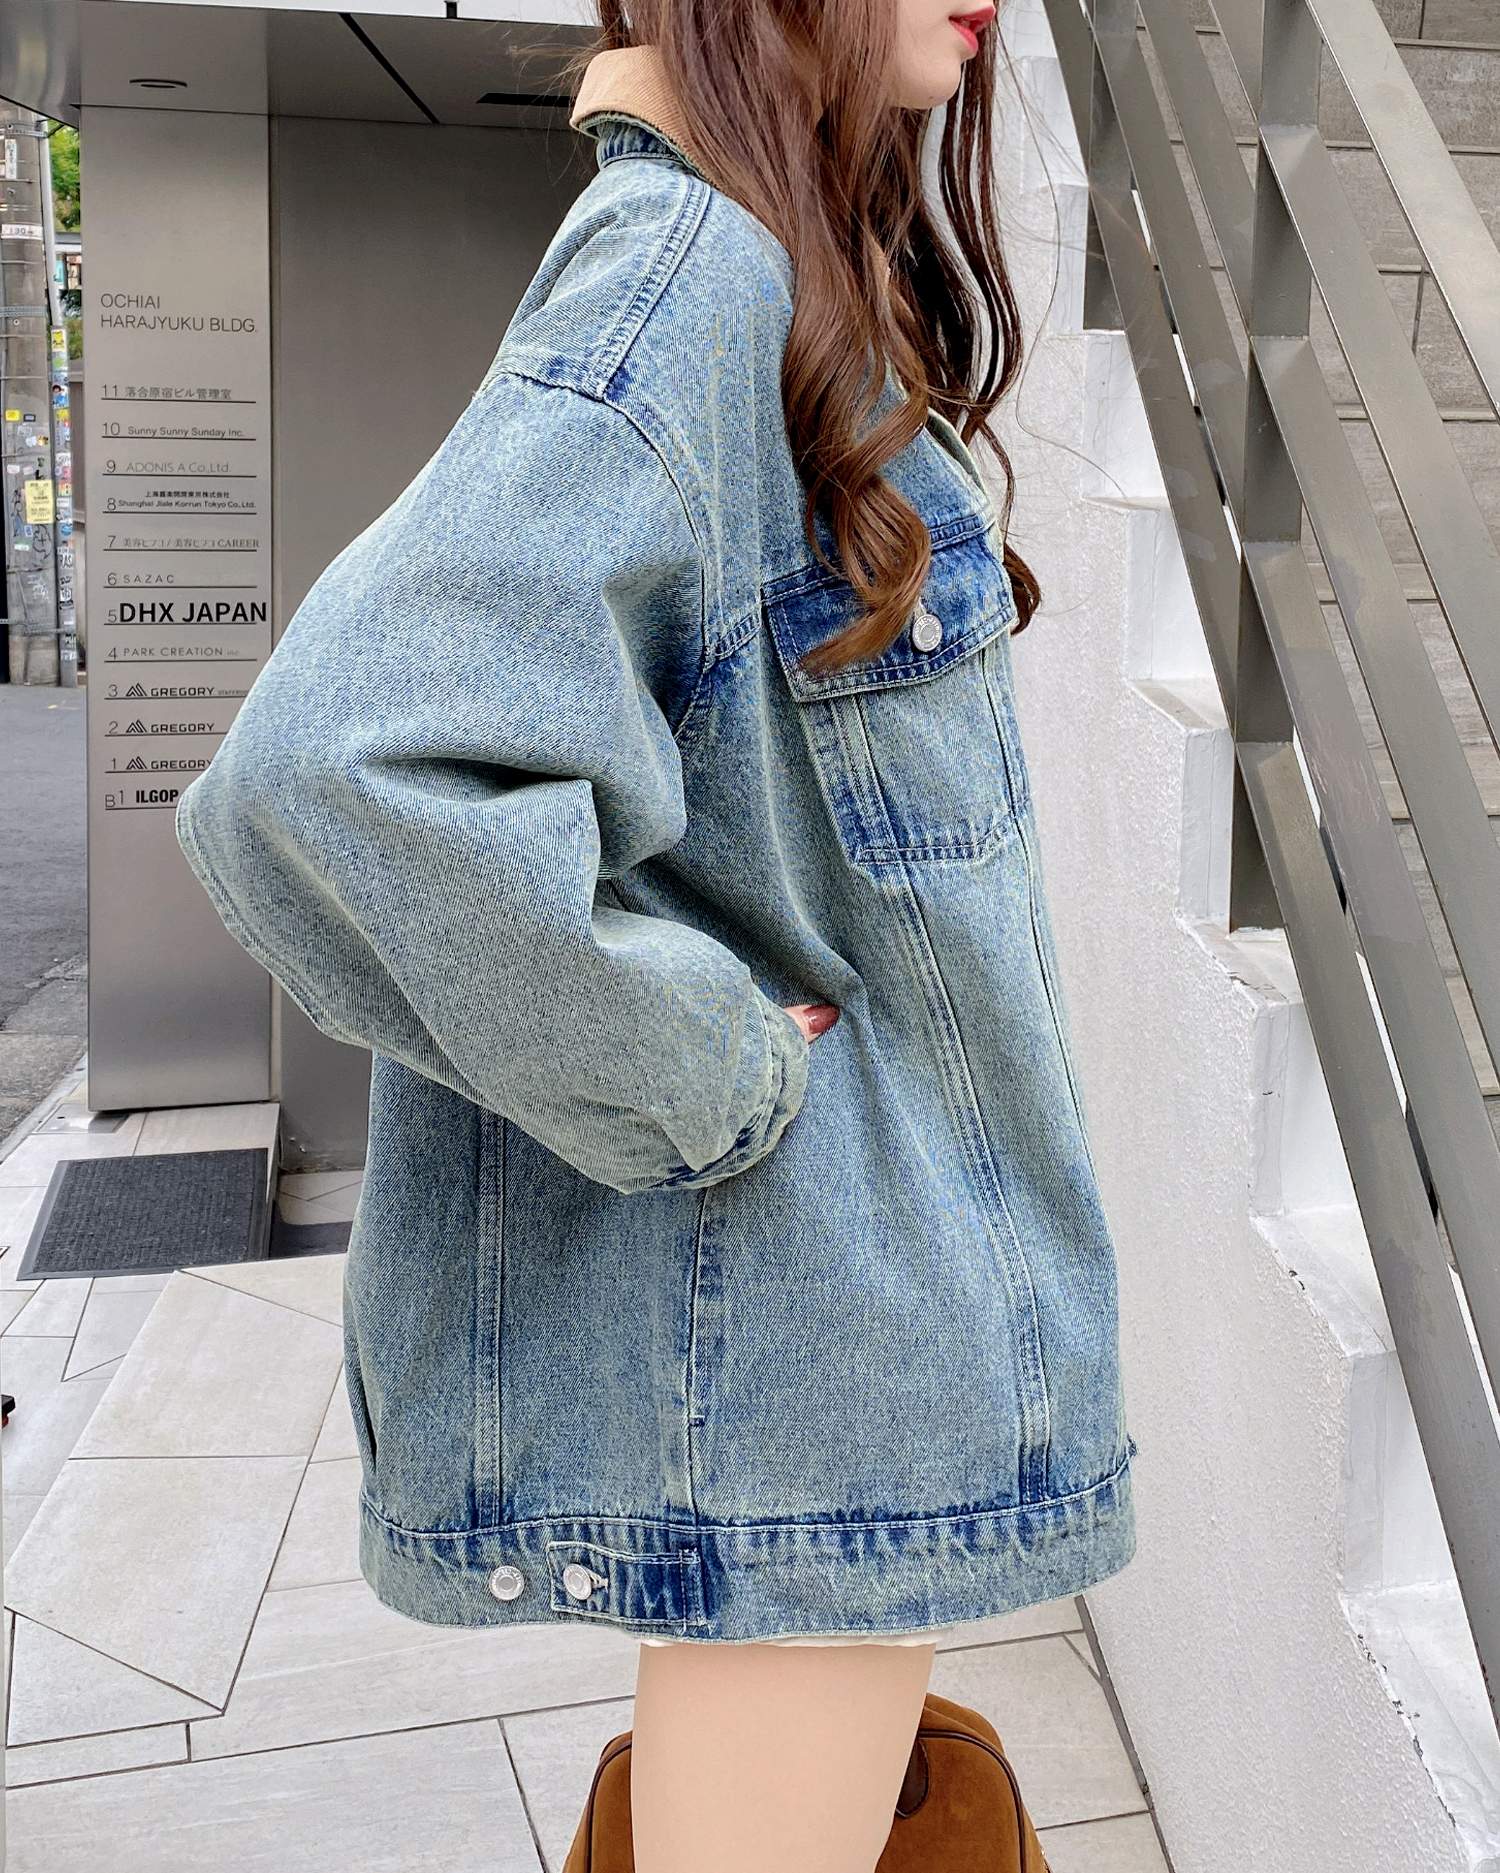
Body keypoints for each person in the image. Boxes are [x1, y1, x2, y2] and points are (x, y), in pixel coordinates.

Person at [174, 5, 1138, 1868]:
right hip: (799, 1371)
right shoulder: (691, 274)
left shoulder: (775, 279)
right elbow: (337, 770)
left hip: (827, 1370)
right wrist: (709, 1061)